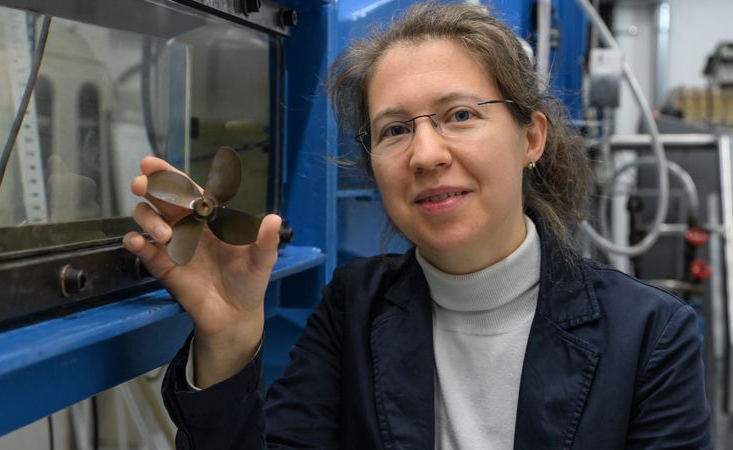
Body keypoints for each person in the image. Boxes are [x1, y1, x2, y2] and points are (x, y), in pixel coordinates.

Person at [123, 2, 711, 448]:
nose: (425, 155)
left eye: (459, 115)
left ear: (530, 138)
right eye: (395, 129)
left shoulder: (650, 336)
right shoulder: (354, 309)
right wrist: (228, 340)